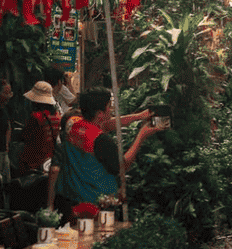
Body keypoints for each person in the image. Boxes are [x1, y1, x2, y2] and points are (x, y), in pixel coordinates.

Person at [46, 88, 165, 224]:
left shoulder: (73, 124)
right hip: (98, 205)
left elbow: (107, 124)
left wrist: (139, 116)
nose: (111, 110)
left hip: (74, 201)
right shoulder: (101, 141)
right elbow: (122, 166)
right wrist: (142, 135)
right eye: (109, 106)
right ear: (100, 113)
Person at [18, 81, 61, 176]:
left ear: (35, 101)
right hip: (50, 161)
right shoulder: (57, 116)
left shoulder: (36, 117)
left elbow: (25, 136)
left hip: (34, 162)